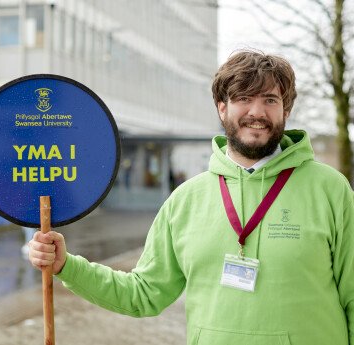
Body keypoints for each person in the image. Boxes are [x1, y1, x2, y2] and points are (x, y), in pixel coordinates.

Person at [29, 50, 354, 345]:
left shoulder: (331, 190)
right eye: (244, 98)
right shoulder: (186, 199)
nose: (258, 112)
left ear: (286, 109)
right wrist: (67, 267)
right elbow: (142, 294)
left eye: (270, 100)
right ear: (222, 107)